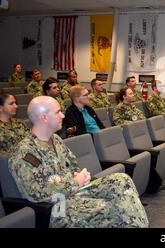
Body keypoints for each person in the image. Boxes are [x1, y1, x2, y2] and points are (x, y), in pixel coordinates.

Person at [8, 96, 149, 228]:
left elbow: (73, 165)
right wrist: (75, 182)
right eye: (58, 112)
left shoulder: (56, 140)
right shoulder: (25, 152)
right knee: (113, 207)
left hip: (76, 191)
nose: (63, 116)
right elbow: (35, 193)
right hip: (58, 207)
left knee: (121, 179)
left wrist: (79, 176)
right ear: (44, 117)